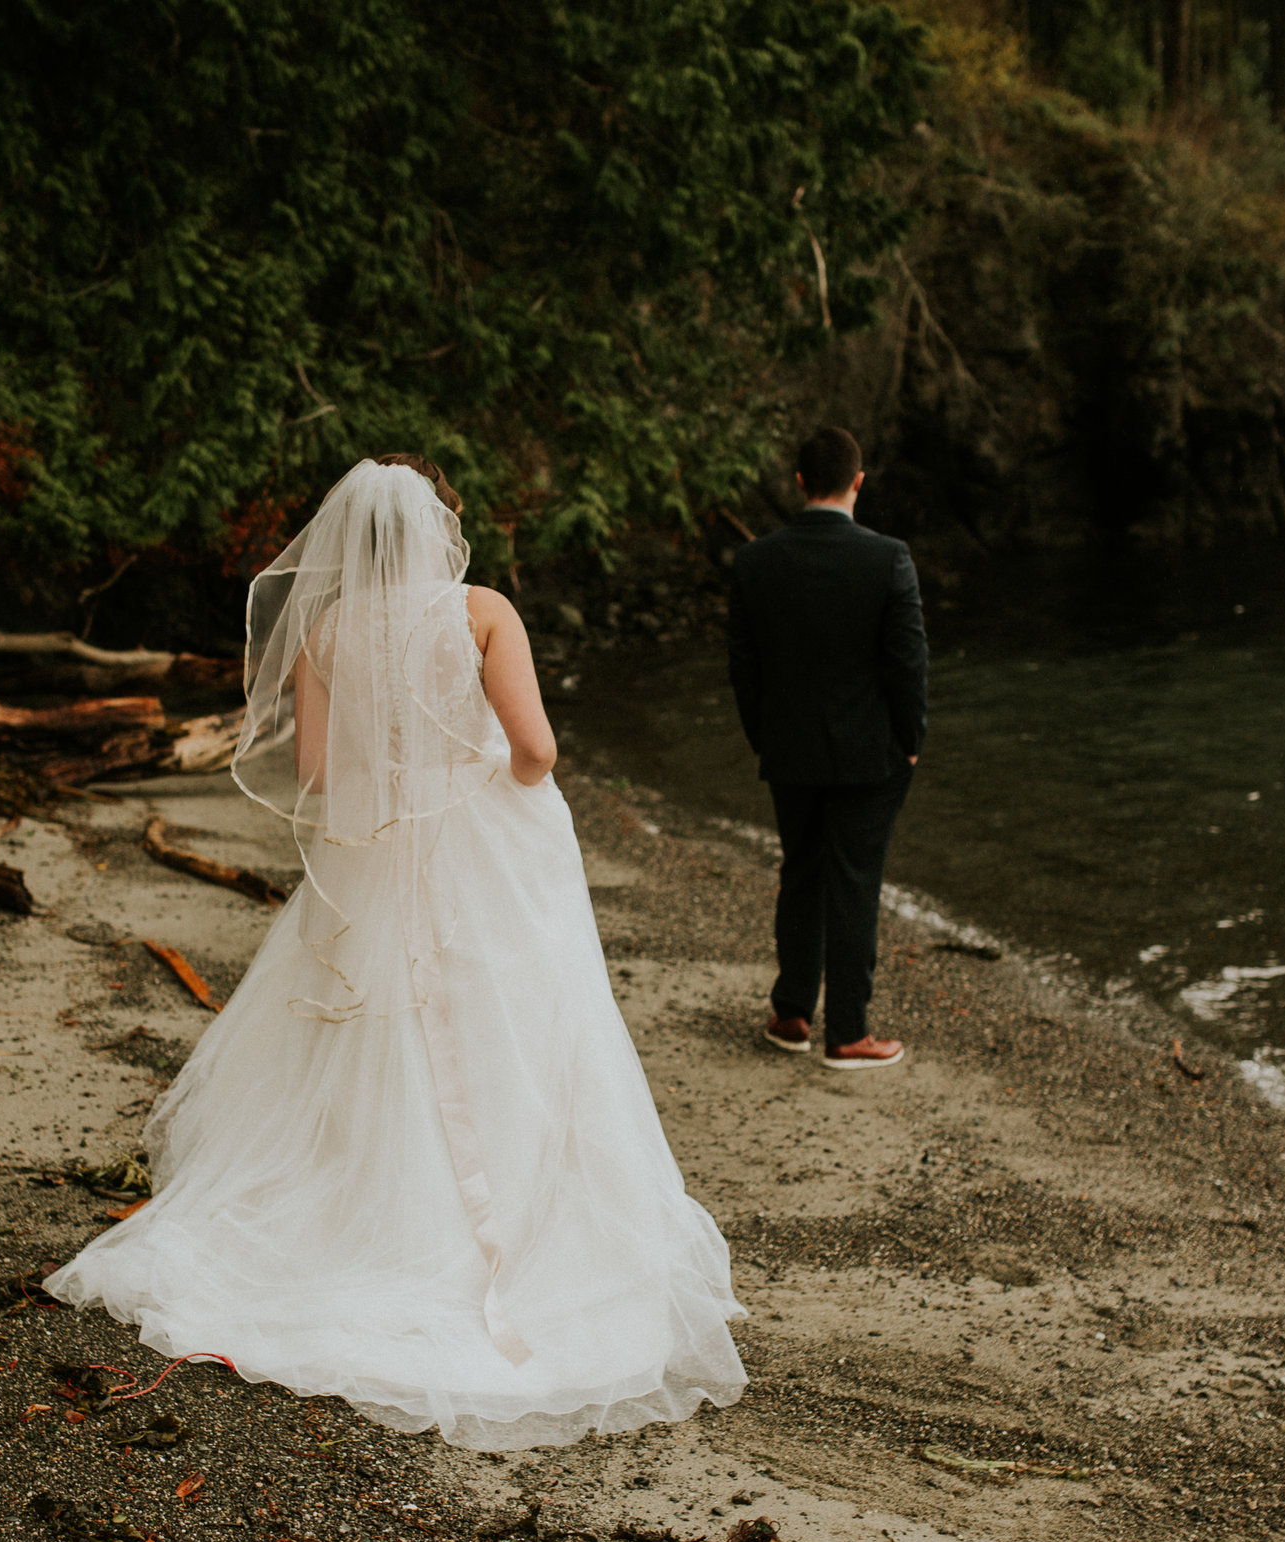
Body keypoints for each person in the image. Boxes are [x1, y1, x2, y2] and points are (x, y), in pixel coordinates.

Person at [46, 455, 746, 1450]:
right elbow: (536, 749)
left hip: (372, 854)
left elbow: (323, 772)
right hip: (482, 849)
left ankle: (368, 1220)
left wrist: (400, 774)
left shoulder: (325, 629)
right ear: (440, 529)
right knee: (511, 1025)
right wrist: (469, 770)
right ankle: (506, 1230)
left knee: (378, 1035)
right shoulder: (481, 611)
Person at [725, 427, 929, 1070]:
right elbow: (907, 663)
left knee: (802, 872)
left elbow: (744, 666)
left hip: (789, 751)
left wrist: (765, 736)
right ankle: (847, 1033)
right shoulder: (889, 558)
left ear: (799, 483)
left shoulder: (755, 561)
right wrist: (912, 739)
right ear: (858, 482)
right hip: (869, 755)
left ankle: (791, 1014)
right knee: (854, 884)